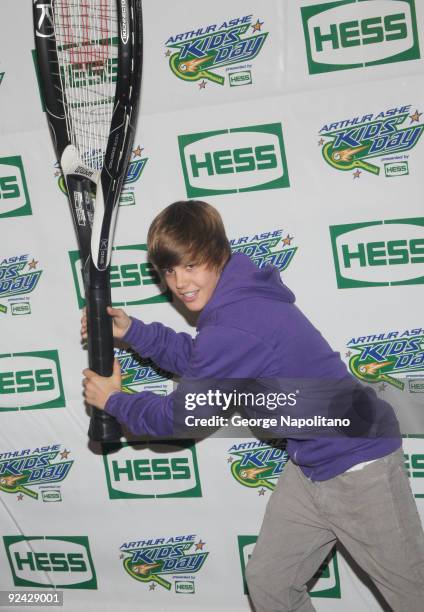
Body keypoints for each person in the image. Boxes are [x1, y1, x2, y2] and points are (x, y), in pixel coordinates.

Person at [82, 200, 424, 611]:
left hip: (357, 463)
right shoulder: (234, 302)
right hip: (312, 462)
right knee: (271, 582)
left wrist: (115, 401)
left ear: (216, 254)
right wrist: (135, 331)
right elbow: (203, 362)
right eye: (169, 271)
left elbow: (182, 416)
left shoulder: (236, 320)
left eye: (190, 266)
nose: (179, 282)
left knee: (413, 593)